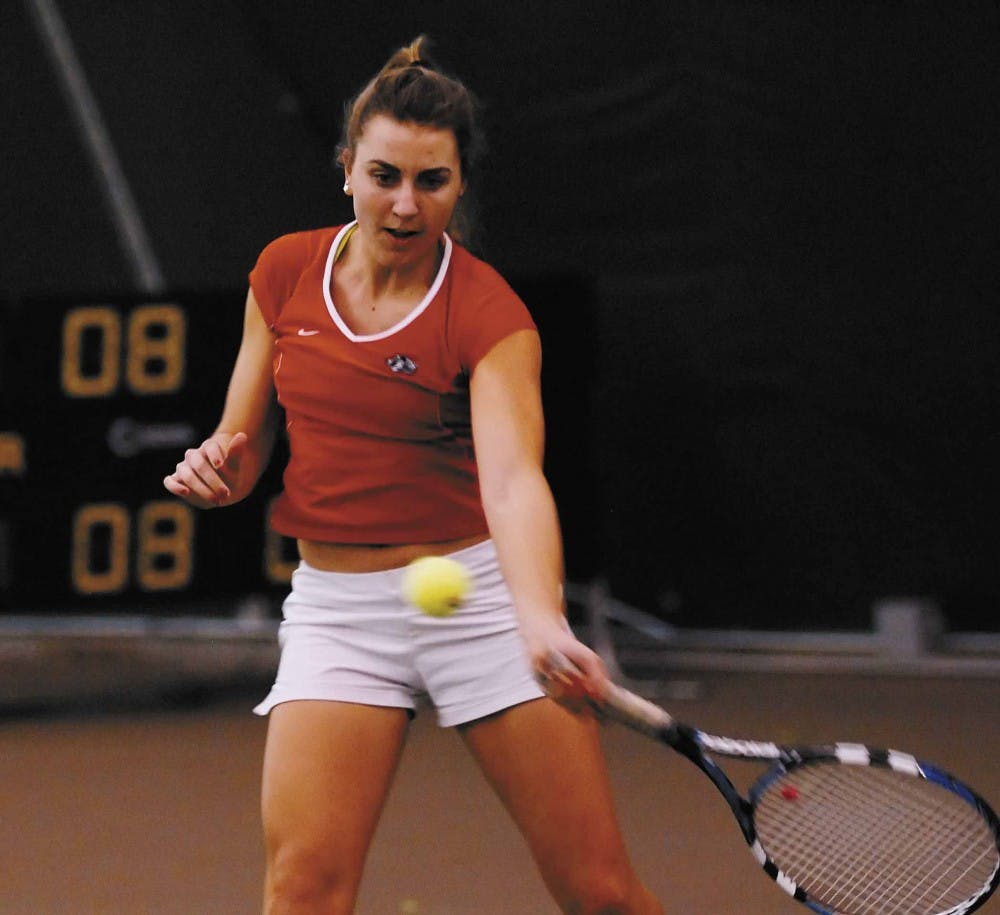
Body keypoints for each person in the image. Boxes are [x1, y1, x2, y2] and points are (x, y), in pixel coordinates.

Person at [164, 36, 662, 915]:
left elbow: (514, 483)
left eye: (430, 181)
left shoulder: (489, 315)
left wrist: (541, 616)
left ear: (460, 184)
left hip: (478, 602)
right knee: (302, 891)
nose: (404, 203)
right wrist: (217, 469)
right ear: (347, 169)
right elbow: (240, 453)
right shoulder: (282, 273)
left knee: (601, 893)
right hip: (338, 610)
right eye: (384, 175)